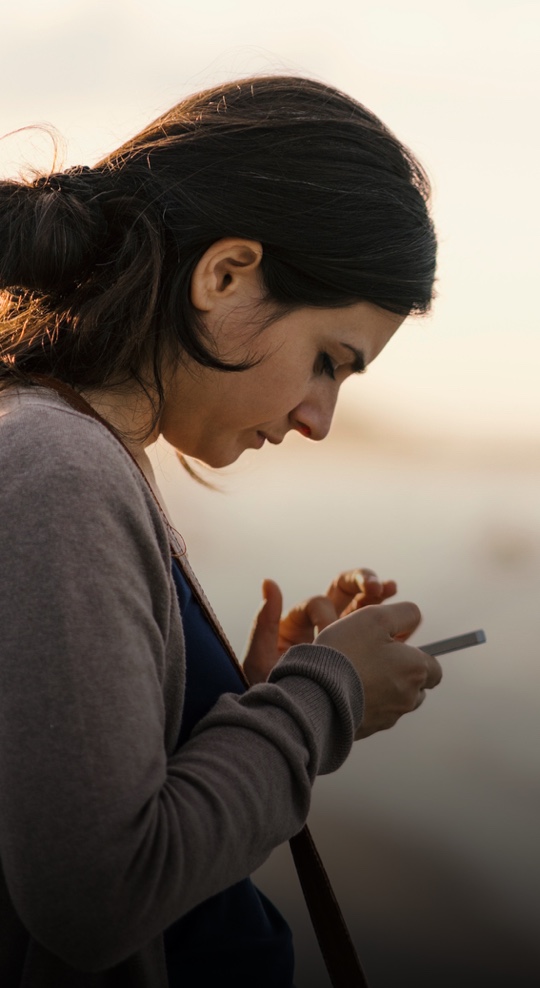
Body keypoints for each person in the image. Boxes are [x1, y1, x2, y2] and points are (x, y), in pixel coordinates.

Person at [0, 75, 442, 987]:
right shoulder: (62, 469)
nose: (319, 419)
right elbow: (97, 897)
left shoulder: (68, 450)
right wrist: (323, 700)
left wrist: (229, 705)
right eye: (330, 361)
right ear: (226, 273)